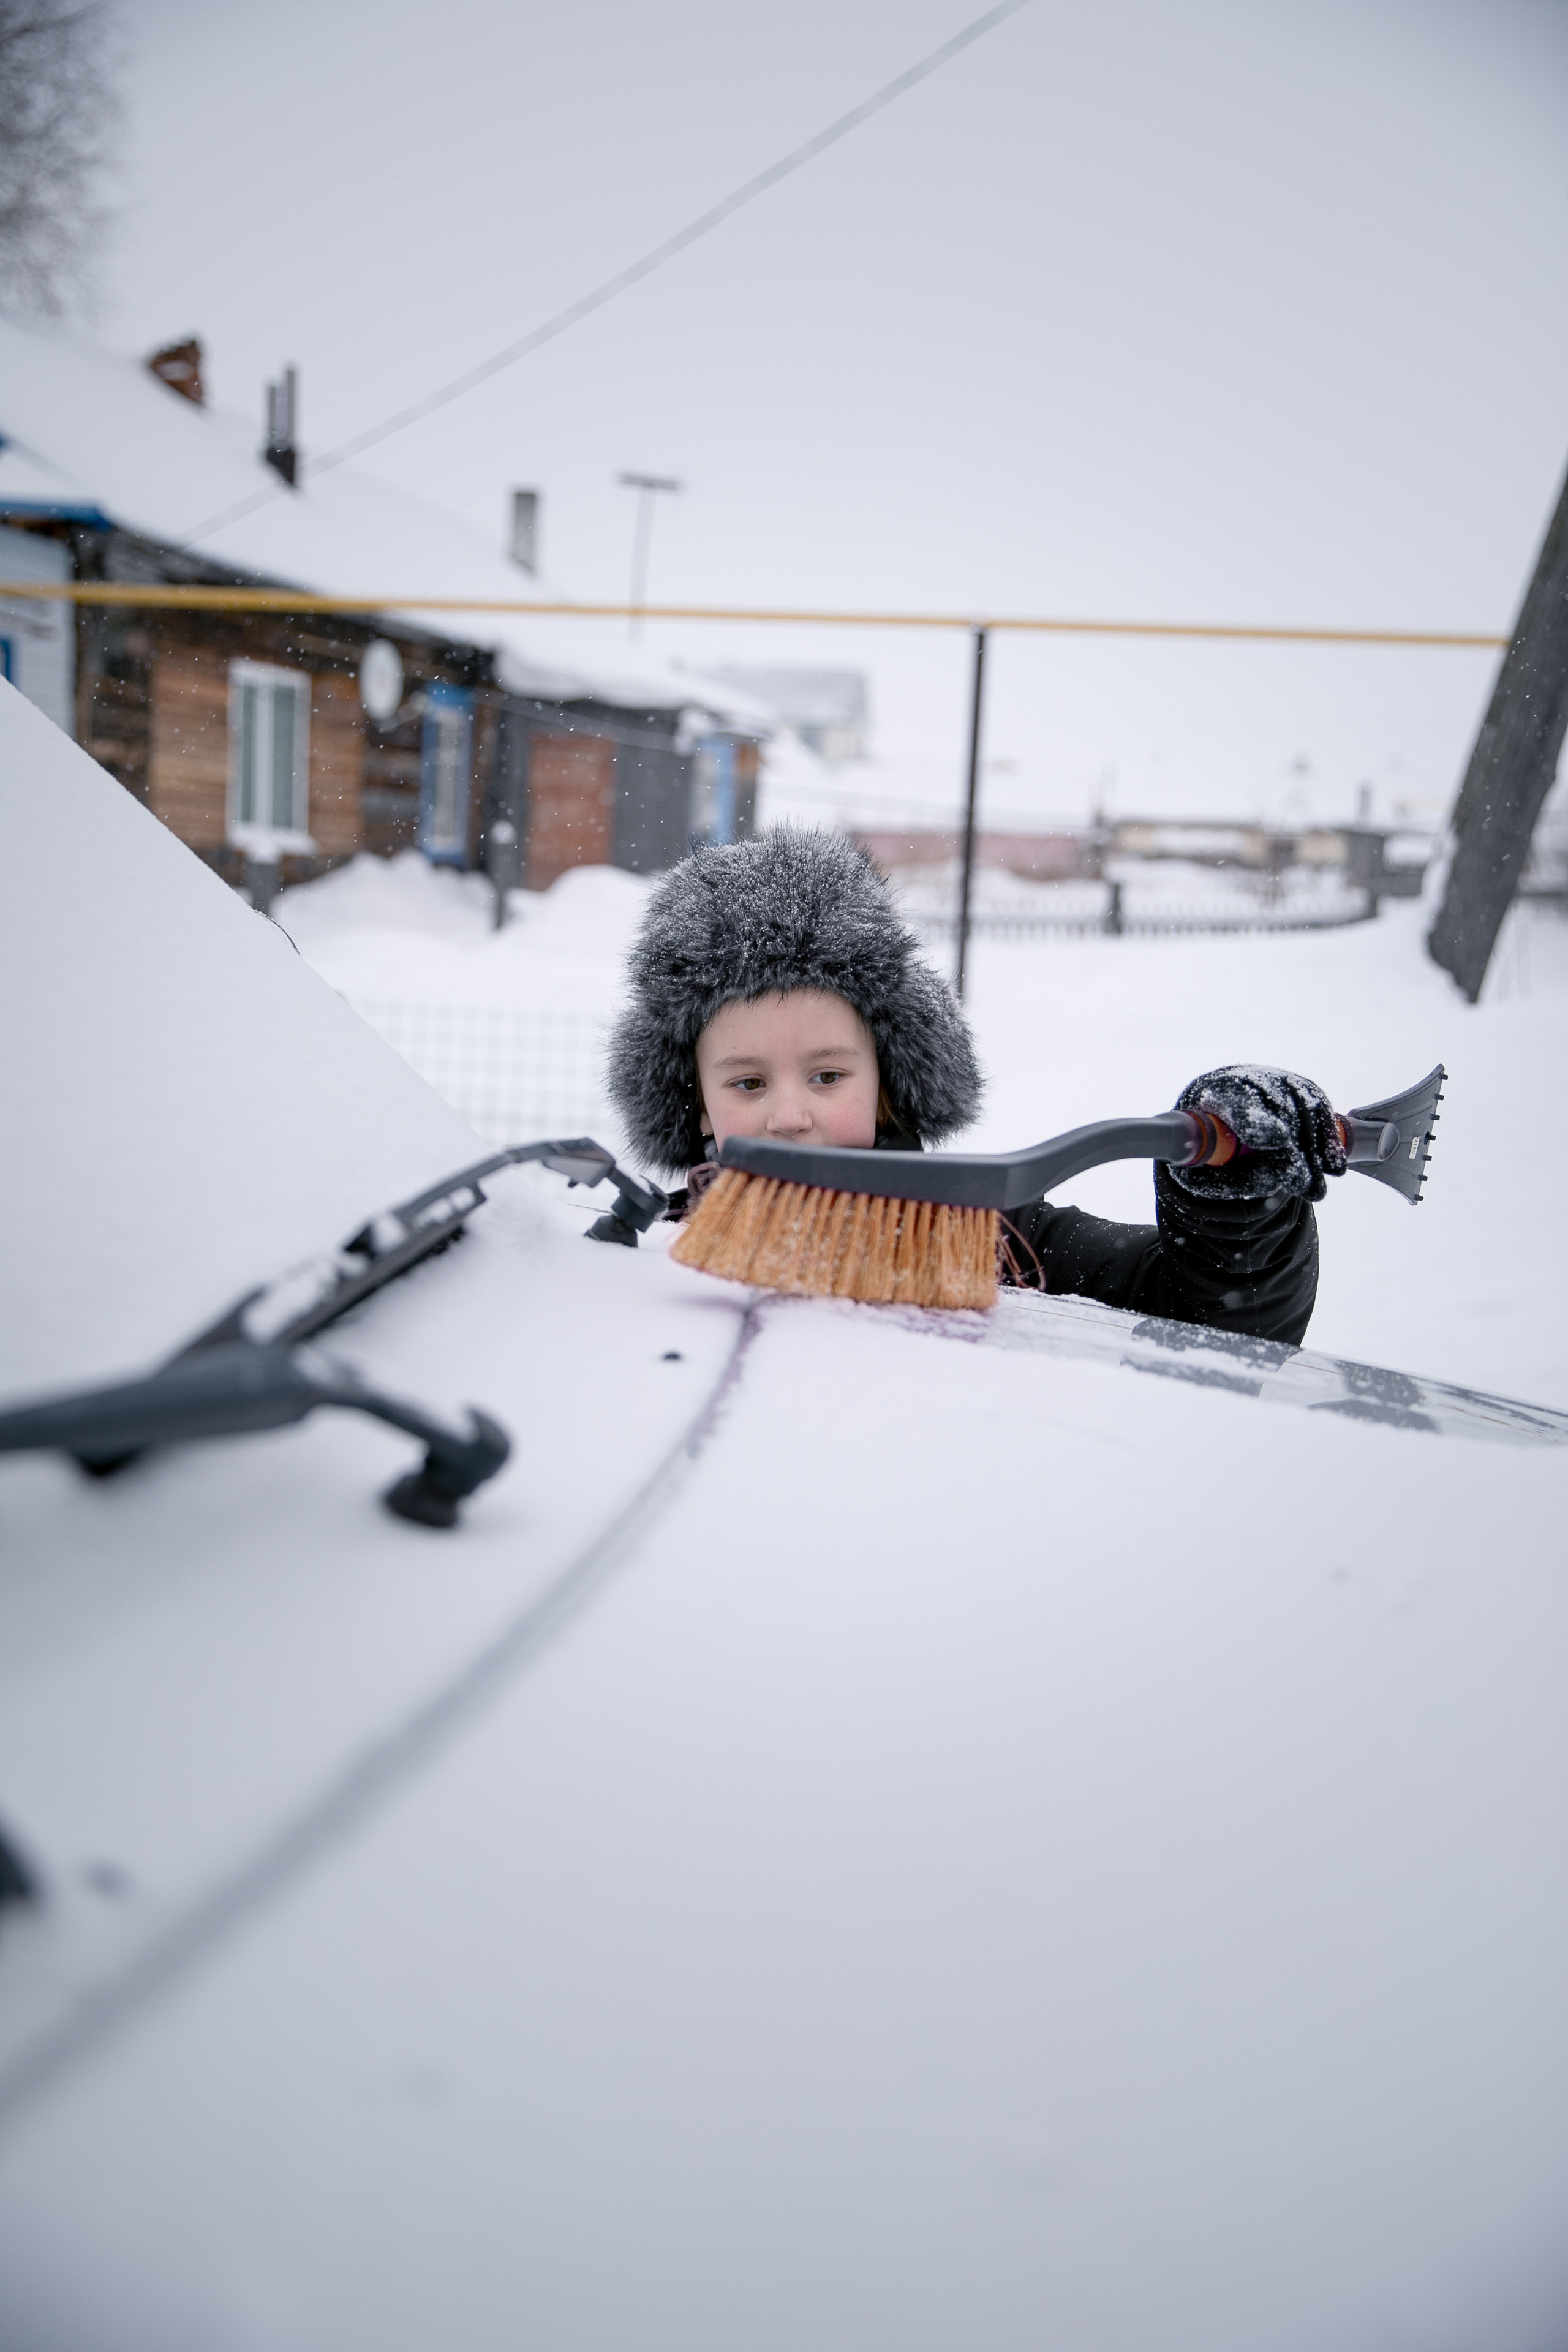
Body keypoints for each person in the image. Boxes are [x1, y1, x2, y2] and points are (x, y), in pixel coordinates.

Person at [605, 827, 1345, 1346]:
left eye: (827, 1075)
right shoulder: (649, 1248)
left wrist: (1236, 1210)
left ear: (889, 1079)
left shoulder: (996, 1237)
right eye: (748, 1082)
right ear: (695, 1098)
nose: (790, 1115)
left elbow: (1214, 1320)